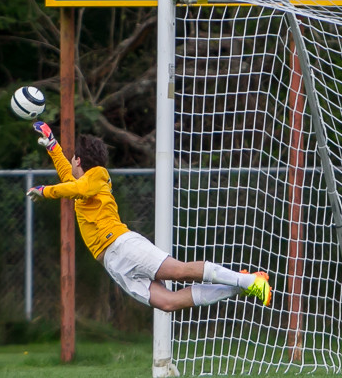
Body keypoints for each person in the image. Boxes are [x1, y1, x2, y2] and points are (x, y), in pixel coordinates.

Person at [26, 121, 272, 312]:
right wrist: (53, 146)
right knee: (168, 303)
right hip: (113, 262)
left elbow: (74, 186)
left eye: (72, 160)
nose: (70, 165)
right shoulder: (83, 184)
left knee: (179, 271)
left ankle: (247, 281)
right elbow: (69, 180)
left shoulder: (98, 175)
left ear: (78, 160)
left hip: (121, 246)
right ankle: (244, 284)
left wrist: (45, 191)